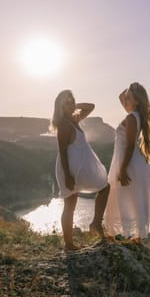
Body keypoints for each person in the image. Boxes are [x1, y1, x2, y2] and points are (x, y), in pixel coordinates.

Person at [104, 82, 150, 243]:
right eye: (126, 98)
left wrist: (122, 169)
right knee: (130, 196)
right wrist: (131, 87)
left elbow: (129, 146)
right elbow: (121, 96)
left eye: (129, 98)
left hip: (128, 163)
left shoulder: (131, 117)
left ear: (136, 101)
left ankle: (118, 235)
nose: (125, 100)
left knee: (125, 195)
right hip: (129, 162)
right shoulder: (135, 115)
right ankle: (129, 235)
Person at [52, 90, 109, 251]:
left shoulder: (74, 120)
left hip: (79, 168)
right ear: (60, 106)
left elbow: (91, 107)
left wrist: (73, 106)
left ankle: (95, 223)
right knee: (70, 204)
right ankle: (69, 244)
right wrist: (68, 175)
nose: (70, 105)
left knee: (105, 187)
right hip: (69, 169)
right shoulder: (63, 125)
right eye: (66, 103)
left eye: (72, 101)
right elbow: (62, 152)